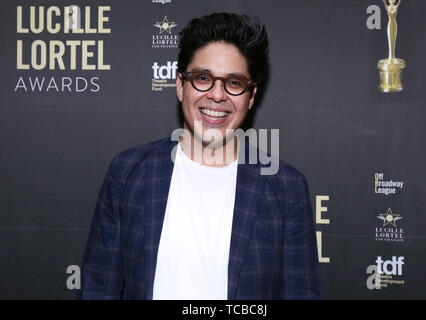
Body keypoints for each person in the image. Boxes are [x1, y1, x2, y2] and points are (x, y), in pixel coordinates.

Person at [78, 12, 321, 300]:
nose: (217, 95)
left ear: (251, 96)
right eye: (203, 78)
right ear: (181, 85)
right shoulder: (129, 172)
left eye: (233, 82)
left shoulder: (285, 188)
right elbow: (97, 290)